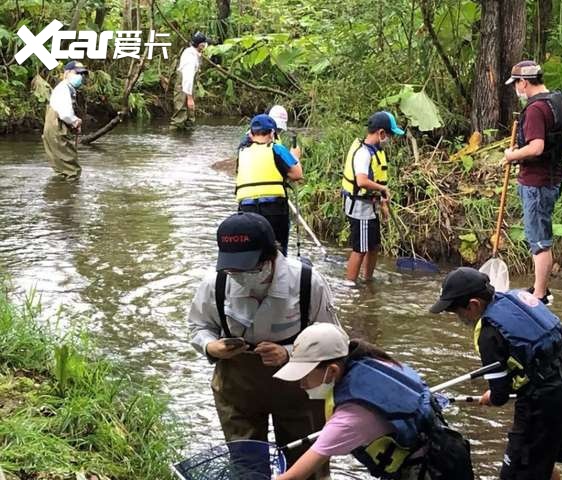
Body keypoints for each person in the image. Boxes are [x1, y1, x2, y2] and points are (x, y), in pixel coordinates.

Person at [188, 212, 338, 479]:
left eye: (247, 268)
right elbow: (198, 327)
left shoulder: (306, 282)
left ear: (270, 258)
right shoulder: (216, 283)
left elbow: (334, 341)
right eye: (232, 269)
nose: (239, 275)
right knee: (246, 465)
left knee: (306, 462)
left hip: (300, 387)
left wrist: (289, 353)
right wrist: (212, 347)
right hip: (237, 387)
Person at [430, 267, 562, 480]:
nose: (457, 318)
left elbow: (500, 395)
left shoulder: (488, 332)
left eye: (456, 311)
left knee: (514, 473)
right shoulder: (515, 298)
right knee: (541, 465)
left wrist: (492, 396)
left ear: (473, 305)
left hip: (541, 404)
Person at [273, 323, 474, 480]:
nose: (301, 384)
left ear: (332, 371)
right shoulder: (373, 362)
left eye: (305, 375)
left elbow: (294, 476)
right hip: (447, 449)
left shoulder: (351, 418)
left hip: (432, 471)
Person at [503, 60, 562, 305]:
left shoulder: (536, 109)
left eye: (516, 84)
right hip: (553, 178)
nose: (517, 89)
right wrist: (558, 156)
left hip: (536, 182)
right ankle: (540, 289)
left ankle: (539, 295)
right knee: (542, 235)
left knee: (539, 241)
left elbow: (537, 147)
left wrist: (511, 156)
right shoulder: (560, 101)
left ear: (524, 82)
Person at [342, 111, 404, 283]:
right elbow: (361, 181)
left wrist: (382, 202)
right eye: (390, 135)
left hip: (371, 206)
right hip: (360, 208)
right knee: (360, 248)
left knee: (373, 246)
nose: (391, 139)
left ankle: (367, 279)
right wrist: (382, 188)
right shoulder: (363, 153)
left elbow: (375, 180)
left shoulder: (377, 151)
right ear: (381, 133)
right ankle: (350, 285)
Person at [236, 114, 302, 255]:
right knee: (276, 252)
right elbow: (297, 175)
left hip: (246, 210)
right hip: (274, 209)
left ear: (251, 133)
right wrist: (295, 156)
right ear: (272, 133)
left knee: (253, 251)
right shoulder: (276, 148)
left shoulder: (242, 151)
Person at [42, 61, 89, 180]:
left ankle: (59, 193)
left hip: (54, 129)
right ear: (67, 73)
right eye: (77, 73)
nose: (81, 77)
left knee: (62, 166)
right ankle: (69, 196)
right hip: (57, 129)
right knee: (72, 170)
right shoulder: (63, 89)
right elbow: (65, 114)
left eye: (82, 74)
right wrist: (75, 121)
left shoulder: (66, 89)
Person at [171, 32, 207, 130]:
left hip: (188, 87)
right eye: (204, 43)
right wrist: (190, 98)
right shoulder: (190, 58)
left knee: (189, 115)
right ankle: (176, 137)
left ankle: (187, 137)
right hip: (184, 85)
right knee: (180, 114)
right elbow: (187, 78)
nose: (206, 45)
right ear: (200, 45)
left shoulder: (193, 52)